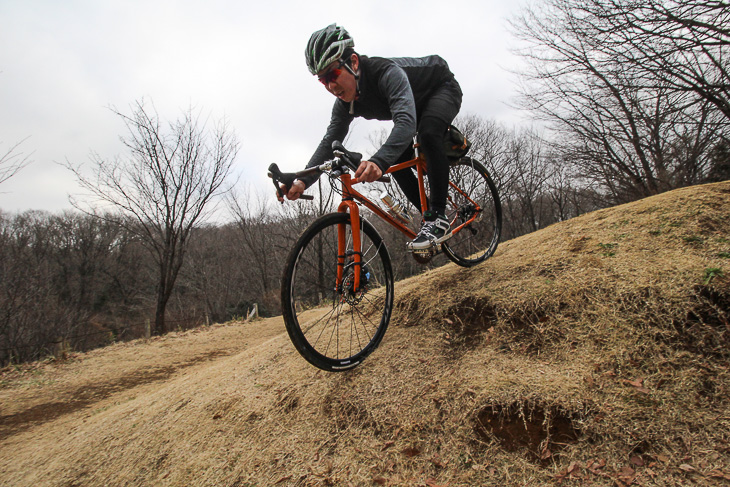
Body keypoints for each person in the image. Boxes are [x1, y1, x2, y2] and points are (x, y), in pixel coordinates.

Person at [281, 24, 463, 251]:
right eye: (322, 80)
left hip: (440, 87)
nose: (329, 86)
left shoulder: (387, 74)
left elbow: (405, 122)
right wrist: (302, 180)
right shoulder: (344, 102)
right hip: (412, 104)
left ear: (354, 62)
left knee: (428, 133)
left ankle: (438, 217)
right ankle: (429, 219)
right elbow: (330, 140)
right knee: (397, 160)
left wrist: (378, 161)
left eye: (333, 74)